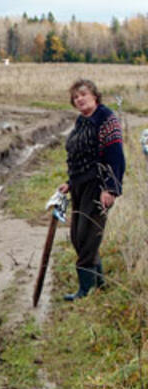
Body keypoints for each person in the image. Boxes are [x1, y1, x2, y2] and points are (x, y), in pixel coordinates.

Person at [58, 79, 125, 301]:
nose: (80, 99)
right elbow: (78, 155)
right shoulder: (81, 121)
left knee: (88, 237)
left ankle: (85, 291)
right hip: (79, 186)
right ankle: (99, 283)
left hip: (97, 187)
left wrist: (110, 189)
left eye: (83, 95)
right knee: (79, 237)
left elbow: (115, 157)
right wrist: (70, 182)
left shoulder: (107, 120)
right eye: (76, 97)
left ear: (95, 96)